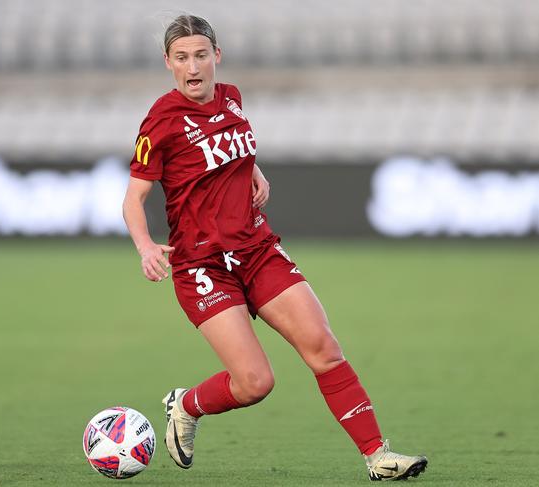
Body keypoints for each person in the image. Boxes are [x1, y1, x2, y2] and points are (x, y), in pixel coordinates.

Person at [122, 14, 428, 482]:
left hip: (257, 249)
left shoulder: (232, 98)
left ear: (216, 56)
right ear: (168, 62)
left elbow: (232, 148)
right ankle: (185, 405)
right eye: (181, 57)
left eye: (201, 54)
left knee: (324, 348)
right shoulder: (161, 121)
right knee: (255, 383)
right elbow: (133, 199)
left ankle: (378, 456)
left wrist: (253, 170)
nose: (193, 66)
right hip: (203, 265)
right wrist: (145, 246)